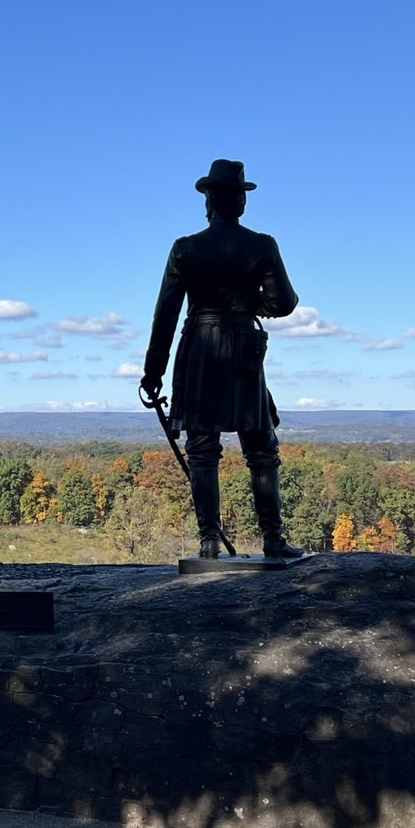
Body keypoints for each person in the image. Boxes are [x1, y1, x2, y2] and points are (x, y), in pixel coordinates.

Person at [140, 159, 303, 559]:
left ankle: (209, 542)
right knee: (261, 445)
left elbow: (166, 313)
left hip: (199, 348)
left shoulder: (185, 249)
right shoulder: (262, 245)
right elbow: (285, 302)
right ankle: (272, 539)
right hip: (244, 347)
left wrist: (153, 370)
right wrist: (254, 305)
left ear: (209, 202)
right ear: (241, 204)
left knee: (202, 446)